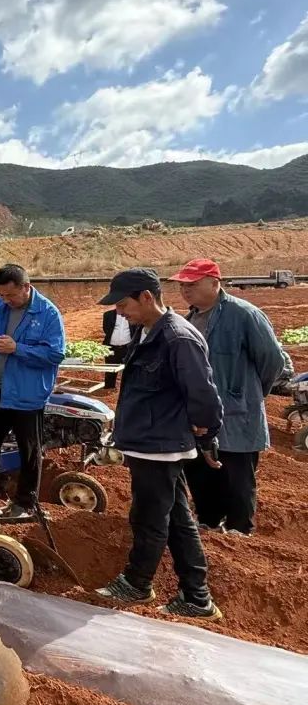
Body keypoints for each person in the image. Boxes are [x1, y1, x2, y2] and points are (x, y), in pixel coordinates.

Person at [95, 269, 224, 620]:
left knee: (149, 518)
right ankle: (196, 597)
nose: (120, 312)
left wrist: (209, 436)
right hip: (148, 441)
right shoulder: (147, 331)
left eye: (123, 304)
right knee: (178, 517)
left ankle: (137, 584)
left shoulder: (178, 339)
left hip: (160, 444)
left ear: (147, 298)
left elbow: (204, 396)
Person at [170, 259, 285, 536]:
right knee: (200, 472)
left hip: (238, 413)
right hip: (200, 413)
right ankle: (208, 521)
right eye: (183, 285)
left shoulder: (245, 314)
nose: (186, 290)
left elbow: (272, 361)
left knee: (237, 476)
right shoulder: (188, 320)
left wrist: (250, 393)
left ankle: (239, 529)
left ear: (214, 282)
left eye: (192, 284)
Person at [0, 265, 65, 516]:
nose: (6, 300)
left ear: (26, 287)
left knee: (29, 450)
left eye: (11, 295)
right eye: (2, 295)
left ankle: (25, 502)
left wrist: (17, 348)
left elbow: (55, 354)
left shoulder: (48, 313)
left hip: (26, 397)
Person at [102, 309, 135, 390]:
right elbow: (106, 329)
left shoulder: (133, 315)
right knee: (110, 370)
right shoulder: (108, 315)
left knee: (128, 370)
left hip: (127, 348)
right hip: (111, 347)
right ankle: (109, 387)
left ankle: (127, 389)